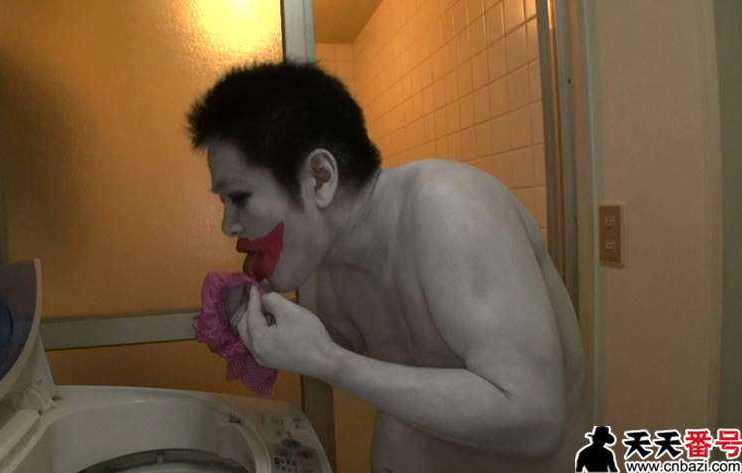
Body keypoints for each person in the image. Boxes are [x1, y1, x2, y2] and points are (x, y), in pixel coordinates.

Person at [187, 61, 587, 472]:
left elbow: (535, 419)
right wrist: (265, 327)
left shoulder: (450, 207)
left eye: (239, 198)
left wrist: (327, 358)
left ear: (320, 178)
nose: (227, 226)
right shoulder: (326, 259)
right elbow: (335, 348)